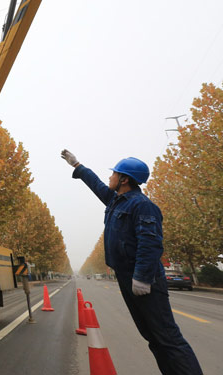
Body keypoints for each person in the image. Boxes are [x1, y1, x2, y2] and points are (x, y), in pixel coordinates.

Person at [60, 149, 202, 375]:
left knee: (167, 337)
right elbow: (97, 185)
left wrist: (142, 278)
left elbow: (150, 242)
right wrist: (78, 166)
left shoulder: (141, 205)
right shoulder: (118, 202)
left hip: (144, 282)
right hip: (128, 278)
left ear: (124, 179)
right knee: (153, 337)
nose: (110, 178)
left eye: (114, 174)